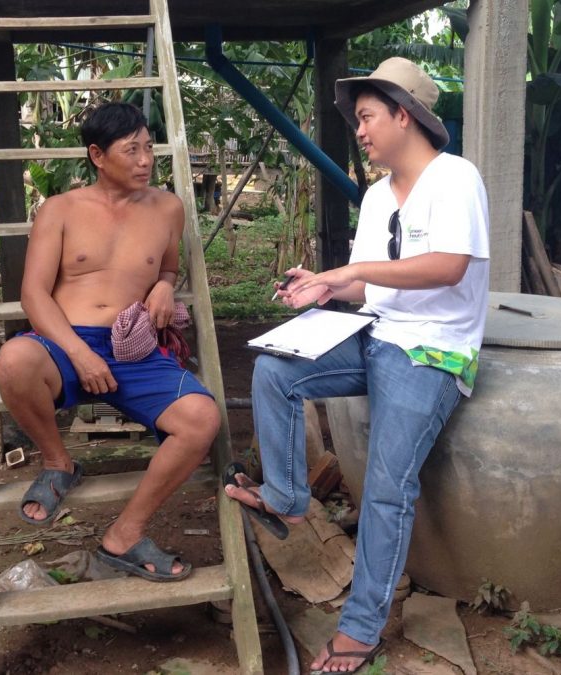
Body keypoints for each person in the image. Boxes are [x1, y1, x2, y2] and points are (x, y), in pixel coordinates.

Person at [224, 57, 490, 673]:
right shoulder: (375, 196)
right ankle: (288, 496)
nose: (360, 131)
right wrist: (323, 288)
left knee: (386, 491)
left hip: (432, 350)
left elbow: (448, 267)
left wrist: (354, 273)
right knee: (275, 369)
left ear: (405, 114)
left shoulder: (456, 178)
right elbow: (370, 290)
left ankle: (362, 629)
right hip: (376, 333)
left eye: (368, 117)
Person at [0, 102, 220, 582]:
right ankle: (59, 461)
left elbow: (168, 266)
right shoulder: (60, 210)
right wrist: (77, 351)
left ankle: (124, 535)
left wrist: (163, 286)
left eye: (148, 148)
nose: (144, 160)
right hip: (64, 343)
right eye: (131, 150)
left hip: (132, 349)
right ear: (98, 154)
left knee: (202, 419)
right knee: (14, 360)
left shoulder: (168, 208)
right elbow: (33, 294)